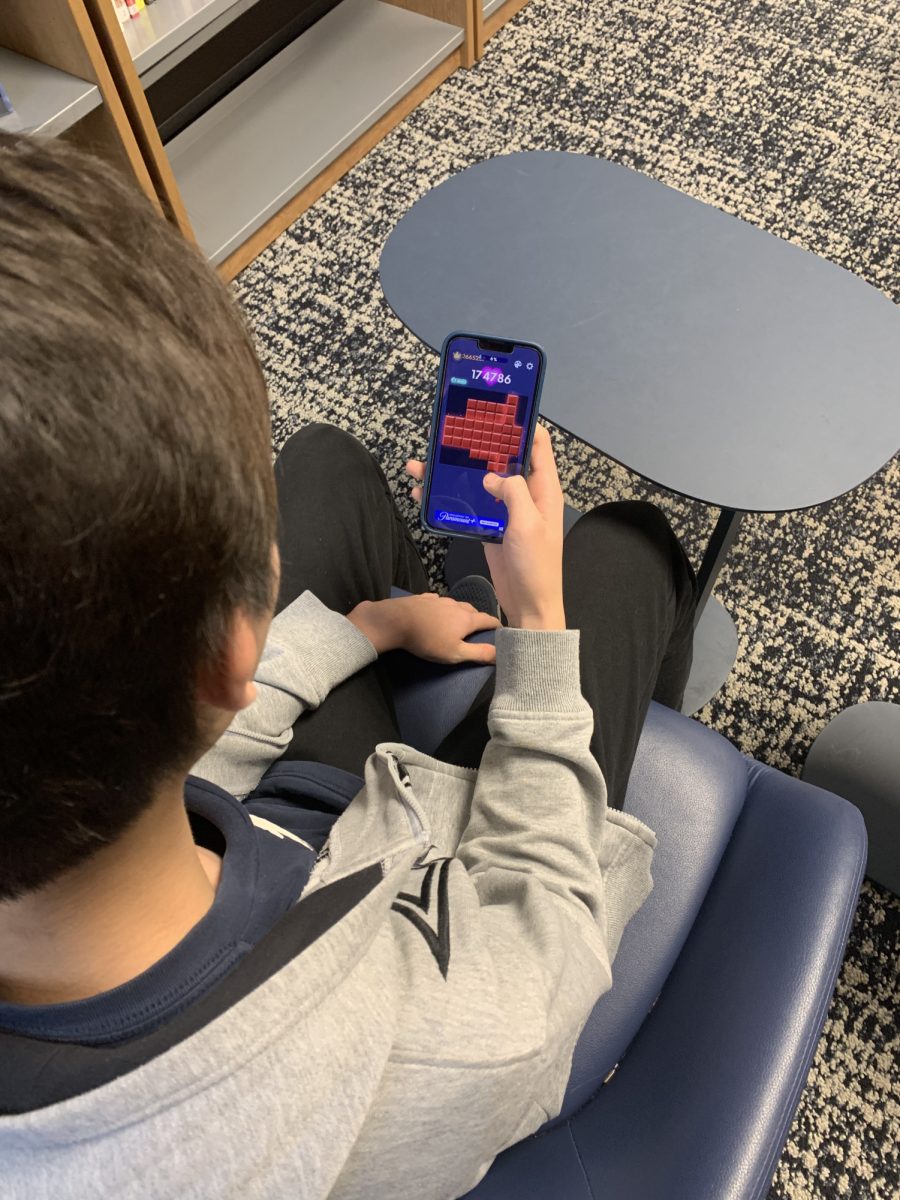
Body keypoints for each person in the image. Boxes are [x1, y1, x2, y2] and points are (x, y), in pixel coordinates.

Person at [0, 131, 695, 1200]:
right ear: (235, 656)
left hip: (266, 822)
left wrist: (364, 630)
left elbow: (185, 768)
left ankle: (435, 614)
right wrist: (541, 625)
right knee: (630, 548)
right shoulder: (433, 1039)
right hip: (430, 904)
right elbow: (542, 929)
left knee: (321, 464)